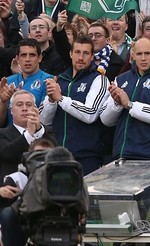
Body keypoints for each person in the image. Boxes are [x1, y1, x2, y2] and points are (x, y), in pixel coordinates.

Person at [39, 35, 109, 174]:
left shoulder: (99, 80)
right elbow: (44, 121)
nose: (81, 57)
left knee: (86, 196)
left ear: (92, 56)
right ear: (71, 54)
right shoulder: (59, 80)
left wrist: (61, 98)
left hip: (86, 156)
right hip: (57, 155)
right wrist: (51, 101)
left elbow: (90, 114)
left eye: (86, 53)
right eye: (77, 52)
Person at [101, 38, 150, 161]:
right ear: (133, 55)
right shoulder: (121, 79)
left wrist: (129, 105)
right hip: (123, 153)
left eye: (147, 53)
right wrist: (117, 104)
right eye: (139, 54)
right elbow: (106, 120)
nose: (143, 58)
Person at [0, 90, 57, 188]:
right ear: (11, 110)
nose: (24, 108)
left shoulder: (47, 132)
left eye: (29, 105)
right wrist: (29, 134)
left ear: (35, 109)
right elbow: (7, 154)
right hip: (13, 193)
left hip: (45, 190)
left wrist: (38, 130)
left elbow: (57, 153)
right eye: (19, 104)